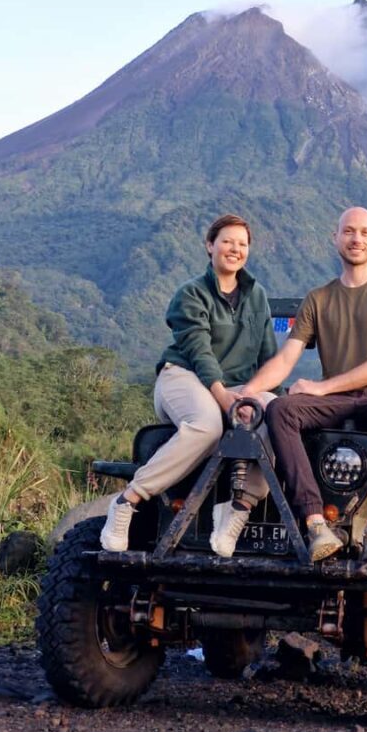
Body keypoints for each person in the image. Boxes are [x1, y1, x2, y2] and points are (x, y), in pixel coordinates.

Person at [241, 206, 367, 563]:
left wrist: (321, 387)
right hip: (337, 400)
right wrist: (246, 393)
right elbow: (284, 360)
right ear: (335, 238)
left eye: (363, 232)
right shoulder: (319, 298)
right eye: (348, 232)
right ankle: (315, 523)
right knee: (281, 410)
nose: (356, 239)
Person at [100, 213, 280, 556]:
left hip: (241, 385)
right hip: (185, 376)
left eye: (242, 244)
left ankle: (237, 513)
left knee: (278, 417)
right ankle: (127, 501)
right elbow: (199, 353)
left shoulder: (257, 296)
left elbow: (270, 356)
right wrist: (225, 398)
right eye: (227, 241)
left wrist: (263, 395)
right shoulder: (191, 294)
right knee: (207, 425)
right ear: (209, 245)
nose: (234, 249)